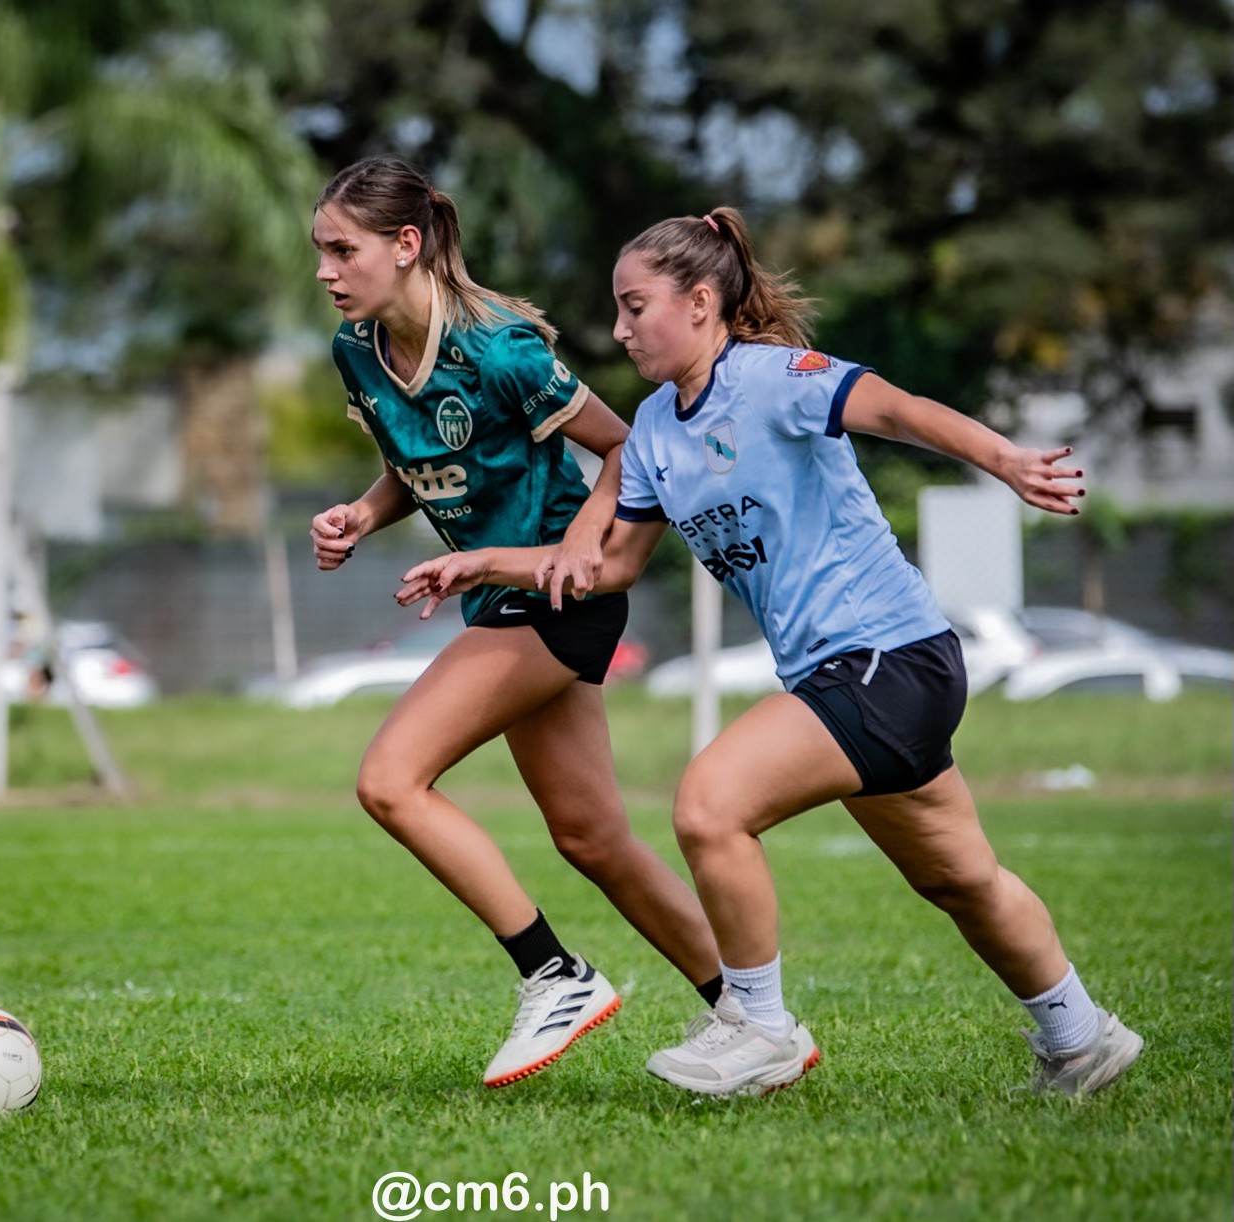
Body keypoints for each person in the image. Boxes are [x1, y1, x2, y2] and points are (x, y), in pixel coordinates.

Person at [396, 206, 1143, 1099]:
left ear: (702, 300)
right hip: (849, 677)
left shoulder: (772, 378)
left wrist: (1004, 459)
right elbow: (609, 566)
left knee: (710, 804)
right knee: (962, 880)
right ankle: (1079, 1037)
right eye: (617, 310)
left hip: (887, 655)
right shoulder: (655, 433)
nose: (618, 329)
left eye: (635, 308)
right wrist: (481, 562)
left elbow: (896, 410)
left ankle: (757, 1027)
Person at [307, 156, 722, 1089]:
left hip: (549, 596)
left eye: (344, 249)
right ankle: (747, 1012)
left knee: (389, 780)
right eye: (320, 253)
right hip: (499, 596)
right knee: (592, 839)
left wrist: (576, 542)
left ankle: (554, 975)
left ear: (406, 245)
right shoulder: (356, 349)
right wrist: (359, 517)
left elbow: (624, 444)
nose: (327, 271)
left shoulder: (498, 349)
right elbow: (414, 469)